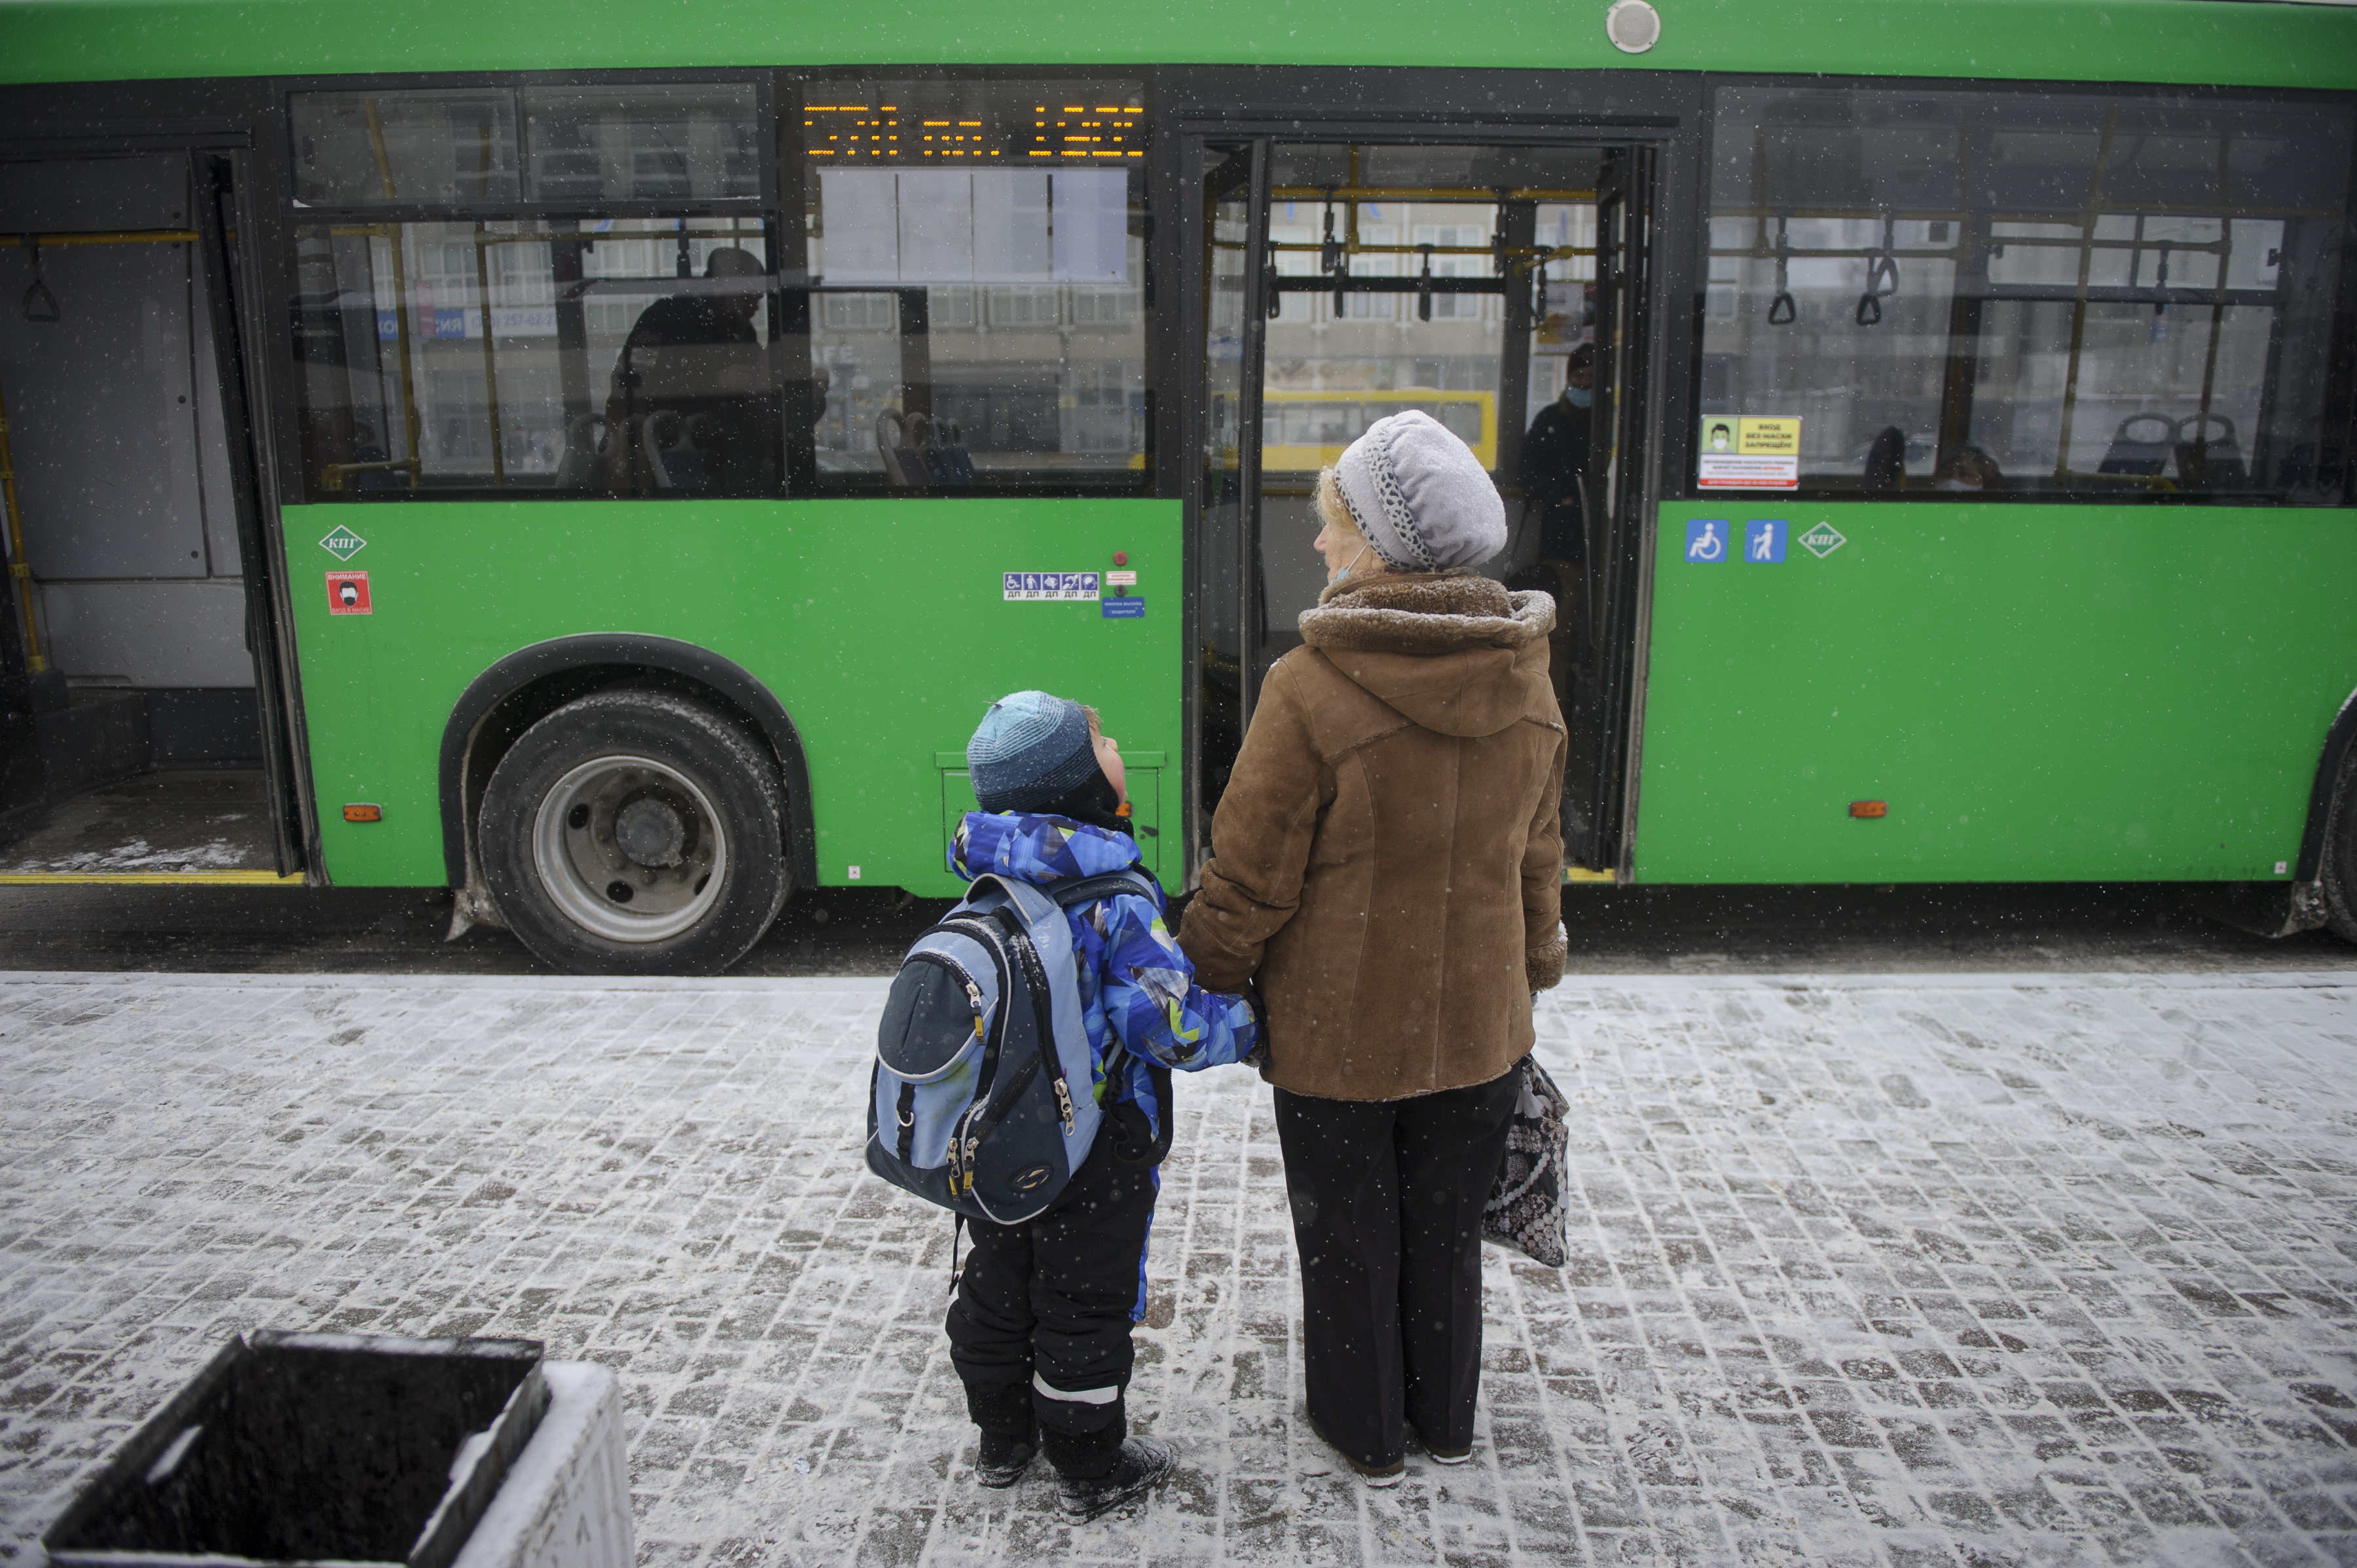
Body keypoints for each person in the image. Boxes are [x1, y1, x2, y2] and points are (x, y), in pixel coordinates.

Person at [1178, 410, 1569, 1485]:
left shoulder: (1308, 686)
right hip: (1481, 1032)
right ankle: (1443, 1418)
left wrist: (1198, 971)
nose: (1317, 545)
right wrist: (1532, 969)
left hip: (1339, 1039)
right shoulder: (1525, 681)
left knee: (1348, 1243)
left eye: (1334, 523)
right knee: (1444, 1238)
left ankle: (1364, 1433)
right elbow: (1541, 859)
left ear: (1382, 545)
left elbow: (1252, 874)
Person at [944, 690, 1264, 1521]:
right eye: (1101, 739)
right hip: (1098, 1137)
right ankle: (1091, 1463)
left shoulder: (987, 874)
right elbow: (1165, 1026)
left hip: (1003, 1136)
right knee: (1085, 1298)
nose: (1119, 743)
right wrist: (1253, 1025)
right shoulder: (1113, 892)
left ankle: (1002, 1438)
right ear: (1078, 779)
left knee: (997, 1278)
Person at [602, 245, 774, 494]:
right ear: (724, 288)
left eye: (759, 300)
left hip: (723, 457)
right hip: (663, 453)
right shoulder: (666, 318)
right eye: (749, 297)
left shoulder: (740, 331)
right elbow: (632, 384)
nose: (755, 308)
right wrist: (715, 380)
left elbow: (760, 379)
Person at [1516, 342, 1596, 572]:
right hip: (1563, 523)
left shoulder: (1612, 421)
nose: (1584, 382)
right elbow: (1528, 471)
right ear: (1568, 379)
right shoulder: (1550, 419)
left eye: (1591, 375)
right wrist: (1561, 496)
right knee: (1565, 586)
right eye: (1578, 375)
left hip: (1603, 517)